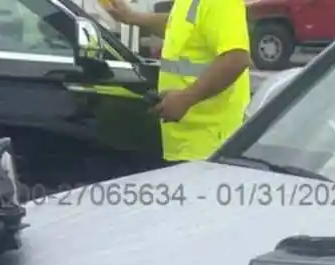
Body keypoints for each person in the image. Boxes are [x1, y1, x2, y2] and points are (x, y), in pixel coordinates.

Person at [99, 0, 252, 161]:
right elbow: (179, 24)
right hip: (187, 142)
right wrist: (133, 17)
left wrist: (186, 99)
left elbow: (236, 58)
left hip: (209, 146)